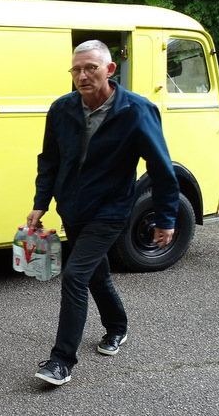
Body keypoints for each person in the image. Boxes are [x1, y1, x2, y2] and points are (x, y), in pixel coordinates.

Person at [27, 39, 179, 386]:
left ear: (109, 70)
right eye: (76, 69)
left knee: (75, 276)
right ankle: (118, 327)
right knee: (96, 274)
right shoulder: (62, 109)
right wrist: (41, 203)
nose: (82, 75)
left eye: (90, 68)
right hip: (72, 207)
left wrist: (166, 218)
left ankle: (61, 361)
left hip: (110, 210)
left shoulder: (136, 110)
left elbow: (161, 169)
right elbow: (49, 160)